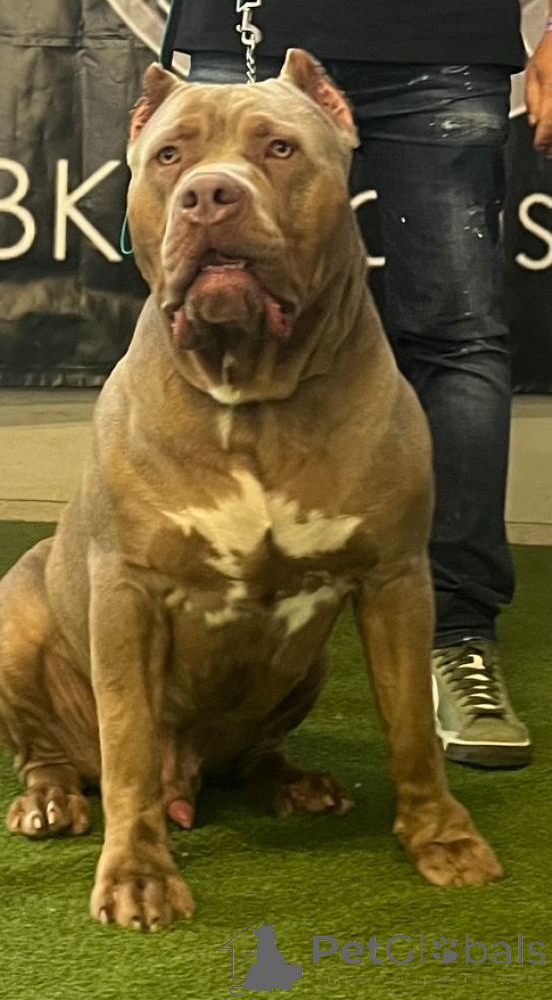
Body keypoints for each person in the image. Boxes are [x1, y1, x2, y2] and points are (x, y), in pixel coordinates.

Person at [167, 0, 552, 767]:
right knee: (216, 330)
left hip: (443, 38)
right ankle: (207, 621)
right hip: (247, 29)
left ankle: (458, 634)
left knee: (455, 335)